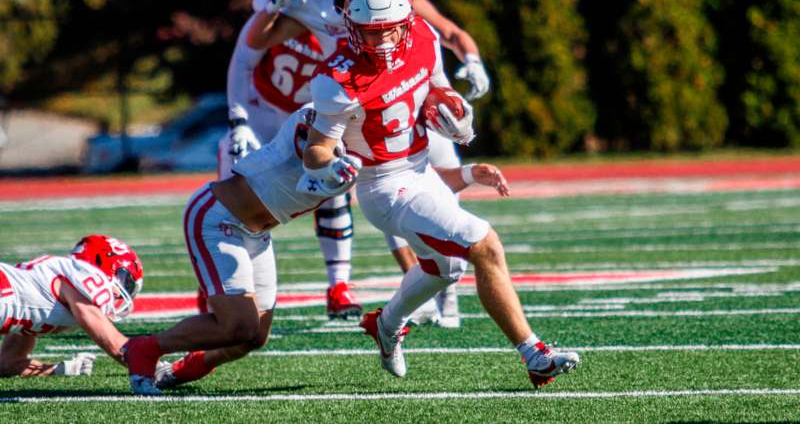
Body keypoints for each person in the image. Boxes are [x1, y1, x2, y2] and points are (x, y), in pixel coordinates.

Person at [302, 0, 580, 387]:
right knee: (483, 243)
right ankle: (534, 353)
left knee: (443, 269)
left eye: (387, 31)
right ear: (351, 27)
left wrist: (454, 114)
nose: (379, 43)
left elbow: (439, 92)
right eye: (368, 33)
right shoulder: (337, 79)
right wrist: (330, 166)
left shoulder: (423, 38)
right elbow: (315, 149)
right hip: (383, 185)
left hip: (421, 170)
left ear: (405, 22)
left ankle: (387, 324)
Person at [122, 100, 510, 395]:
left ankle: (181, 370)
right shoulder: (323, 115)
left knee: (253, 336)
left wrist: (468, 174)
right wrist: (329, 164)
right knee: (238, 324)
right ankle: (145, 348)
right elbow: (312, 149)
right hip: (219, 218)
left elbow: (406, 184)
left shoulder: (370, 131)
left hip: (255, 231)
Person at [245, 0, 493, 327]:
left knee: (442, 193)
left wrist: (472, 61)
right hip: (358, 101)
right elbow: (257, 40)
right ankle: (415, 291)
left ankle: (444, 291)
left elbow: (444, 30)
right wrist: (273, 5)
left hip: (414, 94)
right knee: (390, 196)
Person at [220, 0, 361, 320]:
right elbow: (242, 60)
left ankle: (339, 285)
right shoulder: (285, 14)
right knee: (231, 180)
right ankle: (220, 287)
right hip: (266, 111)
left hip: (310, 117)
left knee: (333, 182)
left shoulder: (348, 25)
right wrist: (238, 119)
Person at [0, 235, 143, 378]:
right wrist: (155, 369)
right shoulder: (81, 274)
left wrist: (62, 369)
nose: (120, 292)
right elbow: (114, 343)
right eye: (124, 280)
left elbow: (8, 362)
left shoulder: (36, 291)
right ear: (100, 262)